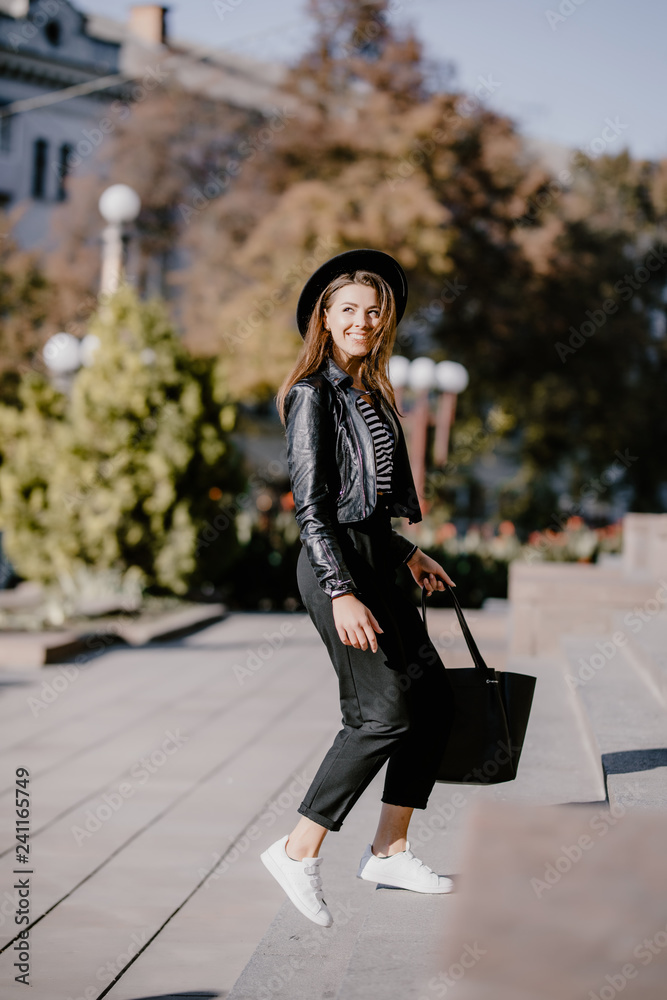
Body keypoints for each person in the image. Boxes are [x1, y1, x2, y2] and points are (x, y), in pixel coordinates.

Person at [261, 248, 457, 928]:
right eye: (348, 310)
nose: (362, 321)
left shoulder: (368, 392)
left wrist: (406, 553)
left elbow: (363, 505)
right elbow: (314, 510)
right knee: (379, 715)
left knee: (431, 702)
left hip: (376, 560)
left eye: (373, 312)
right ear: (325, 316)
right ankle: (296, 850)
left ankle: (390, 849)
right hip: (336, 569)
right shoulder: (313, 394)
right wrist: (341, 589)